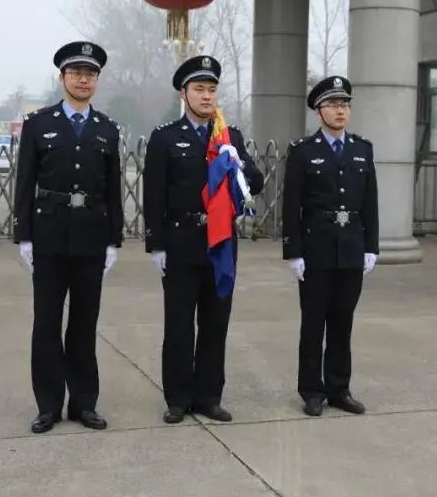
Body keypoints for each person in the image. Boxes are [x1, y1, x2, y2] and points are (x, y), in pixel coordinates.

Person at [142, 55, 265, 424]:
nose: (207, 96)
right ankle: (178, 398)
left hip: (221, 244)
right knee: (178, 325)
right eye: (199, 89)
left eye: (212, 89)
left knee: (215, 324)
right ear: (184, 93)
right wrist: (156, 244)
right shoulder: (165, 137)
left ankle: (209, 396)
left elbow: (254, 184)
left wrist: (238, 163)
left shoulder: (230, 137)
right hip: (181, 241)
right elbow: (154, 194)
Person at [13, 41, 123, 434]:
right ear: (62, 78)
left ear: (96, 81)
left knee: (84, 323)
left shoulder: (107, 129)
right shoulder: (39, 124)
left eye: (90, 74)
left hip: (92, 236)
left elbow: (113, 188)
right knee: (46, 323)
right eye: (76, 73)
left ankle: (83, 403)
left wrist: (114, 240)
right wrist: (23, 235)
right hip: (49, 236)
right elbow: (25, 182)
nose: (83, 79)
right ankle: (47, 405)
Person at [280, 75, 378, 417]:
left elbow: (370, 203)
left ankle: (339, 388)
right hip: (316, 249)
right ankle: (311, 390)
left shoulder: (361, 149)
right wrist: (293, 251)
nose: (340, 111)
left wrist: (372, 246)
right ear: (319, 111)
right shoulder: (303, 151)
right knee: (313, 322)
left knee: (342, 321)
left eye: (345, 104)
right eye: (333, 105)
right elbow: (291, 205)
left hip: (351, 246)